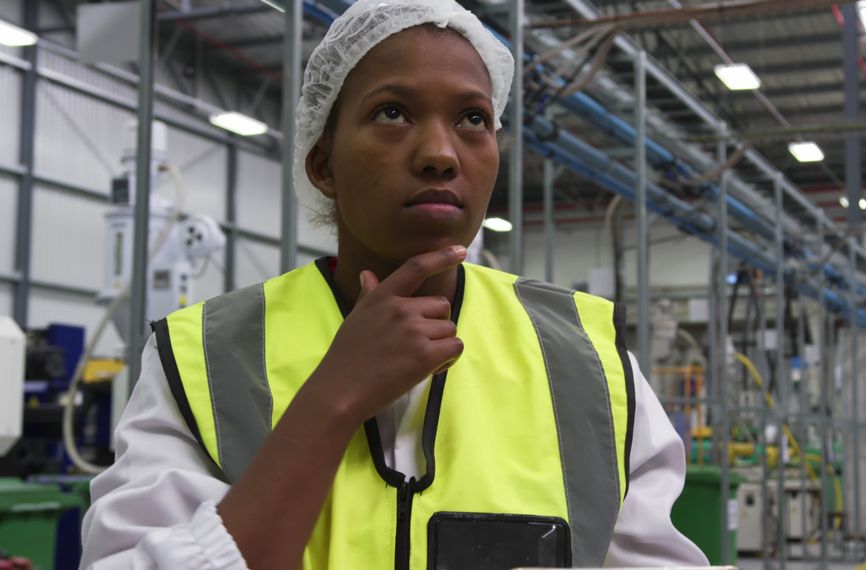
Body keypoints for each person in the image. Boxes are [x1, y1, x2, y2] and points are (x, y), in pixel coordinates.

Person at [81, 1, 709, 568]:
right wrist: (331, 401)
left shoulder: (590, 366)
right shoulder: (203, 362)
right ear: (323, 164)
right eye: (392, 113)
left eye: (472, 119)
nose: (440, 152)